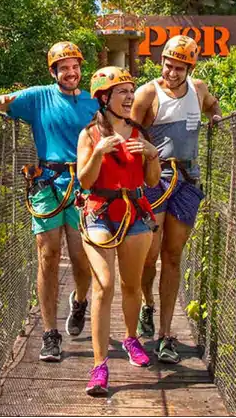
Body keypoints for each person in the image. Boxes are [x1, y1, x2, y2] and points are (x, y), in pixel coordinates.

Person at [0, 42, 97, 362]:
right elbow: (3, 104)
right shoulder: (39, 96)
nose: (71, 72)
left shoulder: (93, 103)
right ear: (54, 72)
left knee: (81, 258)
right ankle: (50, 333)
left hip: (83, 185)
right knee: (48, 256)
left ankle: (79, 301)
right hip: (47, 182)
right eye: (63, 67)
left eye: (75, 66)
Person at [130, 34, 221, 364]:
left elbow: (212, 103)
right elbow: (130, 131)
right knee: (148, 255)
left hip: (186, 181)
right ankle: (147, 305)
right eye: (168, 65)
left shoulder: (198, 89)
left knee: (172, 255)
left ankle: (167, 335)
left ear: (189, 68)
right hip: (155, 179)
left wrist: (215, 115)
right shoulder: (147, 93)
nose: (171, 72)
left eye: (179, 68)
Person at [76, 66, 161, 397]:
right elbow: (84, 181)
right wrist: (98, 153)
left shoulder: (140, 135)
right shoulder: (89, 135)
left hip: (135, 213)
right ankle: (99, 366)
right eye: (122, 91)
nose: (130, 96)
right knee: (104, 285)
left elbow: (152, 181)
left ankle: (130, 338)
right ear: (104, 98)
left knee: (130, 285)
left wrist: (153, 156)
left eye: (131, 90)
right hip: (99, 212)